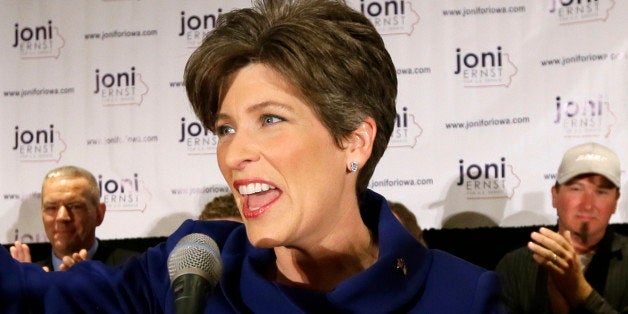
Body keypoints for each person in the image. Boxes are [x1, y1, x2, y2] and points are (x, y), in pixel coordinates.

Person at [0, 1, 504, 312]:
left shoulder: (460, 296)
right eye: (225, 128)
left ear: (354, 140)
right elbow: (38, 299)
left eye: (271, 119)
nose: (234, 153)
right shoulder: (191, 270)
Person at [496, 142, 628, 313]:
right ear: (555, 196)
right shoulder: (514, 266)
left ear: (615, 202)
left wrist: (579, 291)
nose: (587, 204)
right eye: (576, 189)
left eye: (601, 191)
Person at [9, 165, 138, 271]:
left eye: (75, 206)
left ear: (99, 213)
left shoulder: (131, 269)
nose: (62, 217)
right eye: (51, 208)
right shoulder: (28, 277)